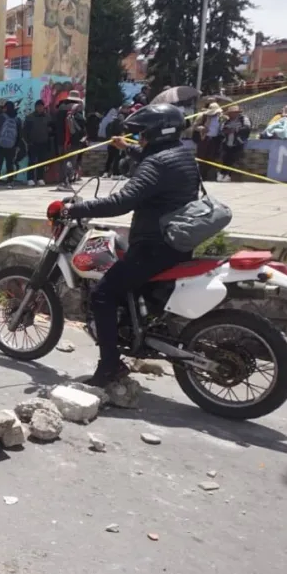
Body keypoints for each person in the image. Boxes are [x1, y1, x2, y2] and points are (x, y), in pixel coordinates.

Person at [59, 104, 197, 387]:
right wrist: (126, 147)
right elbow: (153, 162)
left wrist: (77, 209)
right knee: (129, 288)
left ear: (157, 134)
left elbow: (122, 201)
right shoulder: (182, 155)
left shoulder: (156, 163)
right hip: (178, 243)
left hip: (154, 246)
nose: (140, 140)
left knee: (102, 294)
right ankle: (136, 336)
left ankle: (109, 367)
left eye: (142, 135)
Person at [0, 101, 22, 189]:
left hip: (0, 144)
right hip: (12, 145)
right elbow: (20, 134)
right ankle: (10, 182)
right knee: (10, 164)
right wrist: (17, 145)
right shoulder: (17, 119)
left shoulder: (1, 117)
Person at [192, 102, 224, 181]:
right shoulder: (203, 116)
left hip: (215, 140)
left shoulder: (220, 117)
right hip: (205, 139)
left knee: (211, 159)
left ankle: (206, 176)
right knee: (202, 158)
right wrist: (202, 128)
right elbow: (194, 126)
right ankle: (200, 176)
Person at [23, 100, 52, 187]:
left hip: (43, 143)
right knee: (32, 161)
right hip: (33, 143)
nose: (40, 108)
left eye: (41, 106)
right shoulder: (29, 117)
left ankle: (40, 178)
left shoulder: (47, 117)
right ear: (35, 107)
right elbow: (24, 132)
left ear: (44, 107)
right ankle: (30, 179)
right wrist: (28, 142)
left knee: (41, 161)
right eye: (38, 106)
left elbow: (51, 130)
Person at [218, 105, 250, 182]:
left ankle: (228, 175)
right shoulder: (227, 121)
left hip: (238, 143)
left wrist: (235, 130)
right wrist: (226, 131)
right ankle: (222, 174)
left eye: (232, 113)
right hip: (227, 143)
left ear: (236, 113)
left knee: (234, 160)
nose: (230, 115)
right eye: (230, 113)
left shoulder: (244, 119)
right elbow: (221, 130)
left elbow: (247, 128)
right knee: (225, 159)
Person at [103, 106, 127, 179]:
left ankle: (106, 172)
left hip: (111, 142)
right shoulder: (119, 124)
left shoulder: (110, 124)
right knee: (117, 158)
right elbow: (122, 132)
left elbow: (107, 133)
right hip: (117, 142)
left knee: (110, 158)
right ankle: (115, 173)